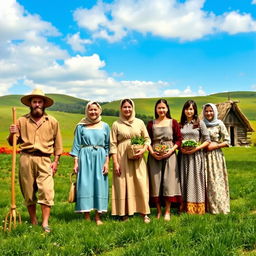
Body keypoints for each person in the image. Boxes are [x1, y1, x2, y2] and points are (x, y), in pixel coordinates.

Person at [8, 88, 62, 232]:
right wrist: (12, 133)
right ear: (30, 104)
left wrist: (55, 161)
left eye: (40, 102)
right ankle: (33, 220)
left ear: (44, 104)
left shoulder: (52, 121)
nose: (37, 104)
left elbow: (58, 144)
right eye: (34, 102)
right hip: (26, 158)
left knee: (46, 190)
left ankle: (45, 223)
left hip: (45, 159)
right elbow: (13, 142)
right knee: (28, 191)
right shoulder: (21, 121)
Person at [110, 99, 151, 223]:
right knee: (123, 183)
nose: (127, 109)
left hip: (138, 156)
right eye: (125, 107)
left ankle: (144, 212)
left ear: (133, 108)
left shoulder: (139, 122)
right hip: (122, 156)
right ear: (121, 109)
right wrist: (116, 163)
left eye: (129, 107)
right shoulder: (116, 124)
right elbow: (112, 144)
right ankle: (123, 213)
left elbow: (147, 139)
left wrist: (143, 149)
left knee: (140, 182)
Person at [70, 101, 110, 225]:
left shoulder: (105, 126)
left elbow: (108, 146)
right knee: (85, 185)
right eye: (90, 110)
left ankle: (98, 216)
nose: (93, 112)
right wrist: (76, 163)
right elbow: (76, 145)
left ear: (99, 111)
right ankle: (86, 215)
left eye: (95, 110)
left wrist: (107, 163)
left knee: (100, 185)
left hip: (100, 156)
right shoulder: (81, 126)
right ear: (86, 111)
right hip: (85, 156)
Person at [147, 99, 182, 221]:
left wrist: (171, 150)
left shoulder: (173, 122)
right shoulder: (151, 124)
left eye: (163, 108)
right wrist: (152, 153)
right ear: (156, 110)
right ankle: (158, 211)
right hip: (154, 156)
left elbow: (179, 139)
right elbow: (147, 140)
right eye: (159, 108)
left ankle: (167, 211)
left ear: (167, 109)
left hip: (170, 155)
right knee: (155, 183)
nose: (161, 110)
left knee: (169, 183)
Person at [179, 100, 210, 214]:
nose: (189, 111)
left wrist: (196, 148)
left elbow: (207, 140)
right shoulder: (180, 124)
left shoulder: (200, 123)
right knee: (184, 179)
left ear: (195, 110)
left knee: (195, 180)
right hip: (183, 157)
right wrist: (180, 148)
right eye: (187, 109)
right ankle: (184, 206)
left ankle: (197, 207)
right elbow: (177, 140)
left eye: (191, 109)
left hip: (196, 156)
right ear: (184, 110)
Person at [203, 103, 230, 214]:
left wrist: (216, 145)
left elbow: (228, 141)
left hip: (215, 157)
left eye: (211, 111)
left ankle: (219, 207)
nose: (209, 113)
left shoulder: (219, 124)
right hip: (203, 156)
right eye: (206, 111)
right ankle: (206, 207)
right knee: (205, 181)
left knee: (216, 181)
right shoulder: (201, 124)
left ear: (214, 112)